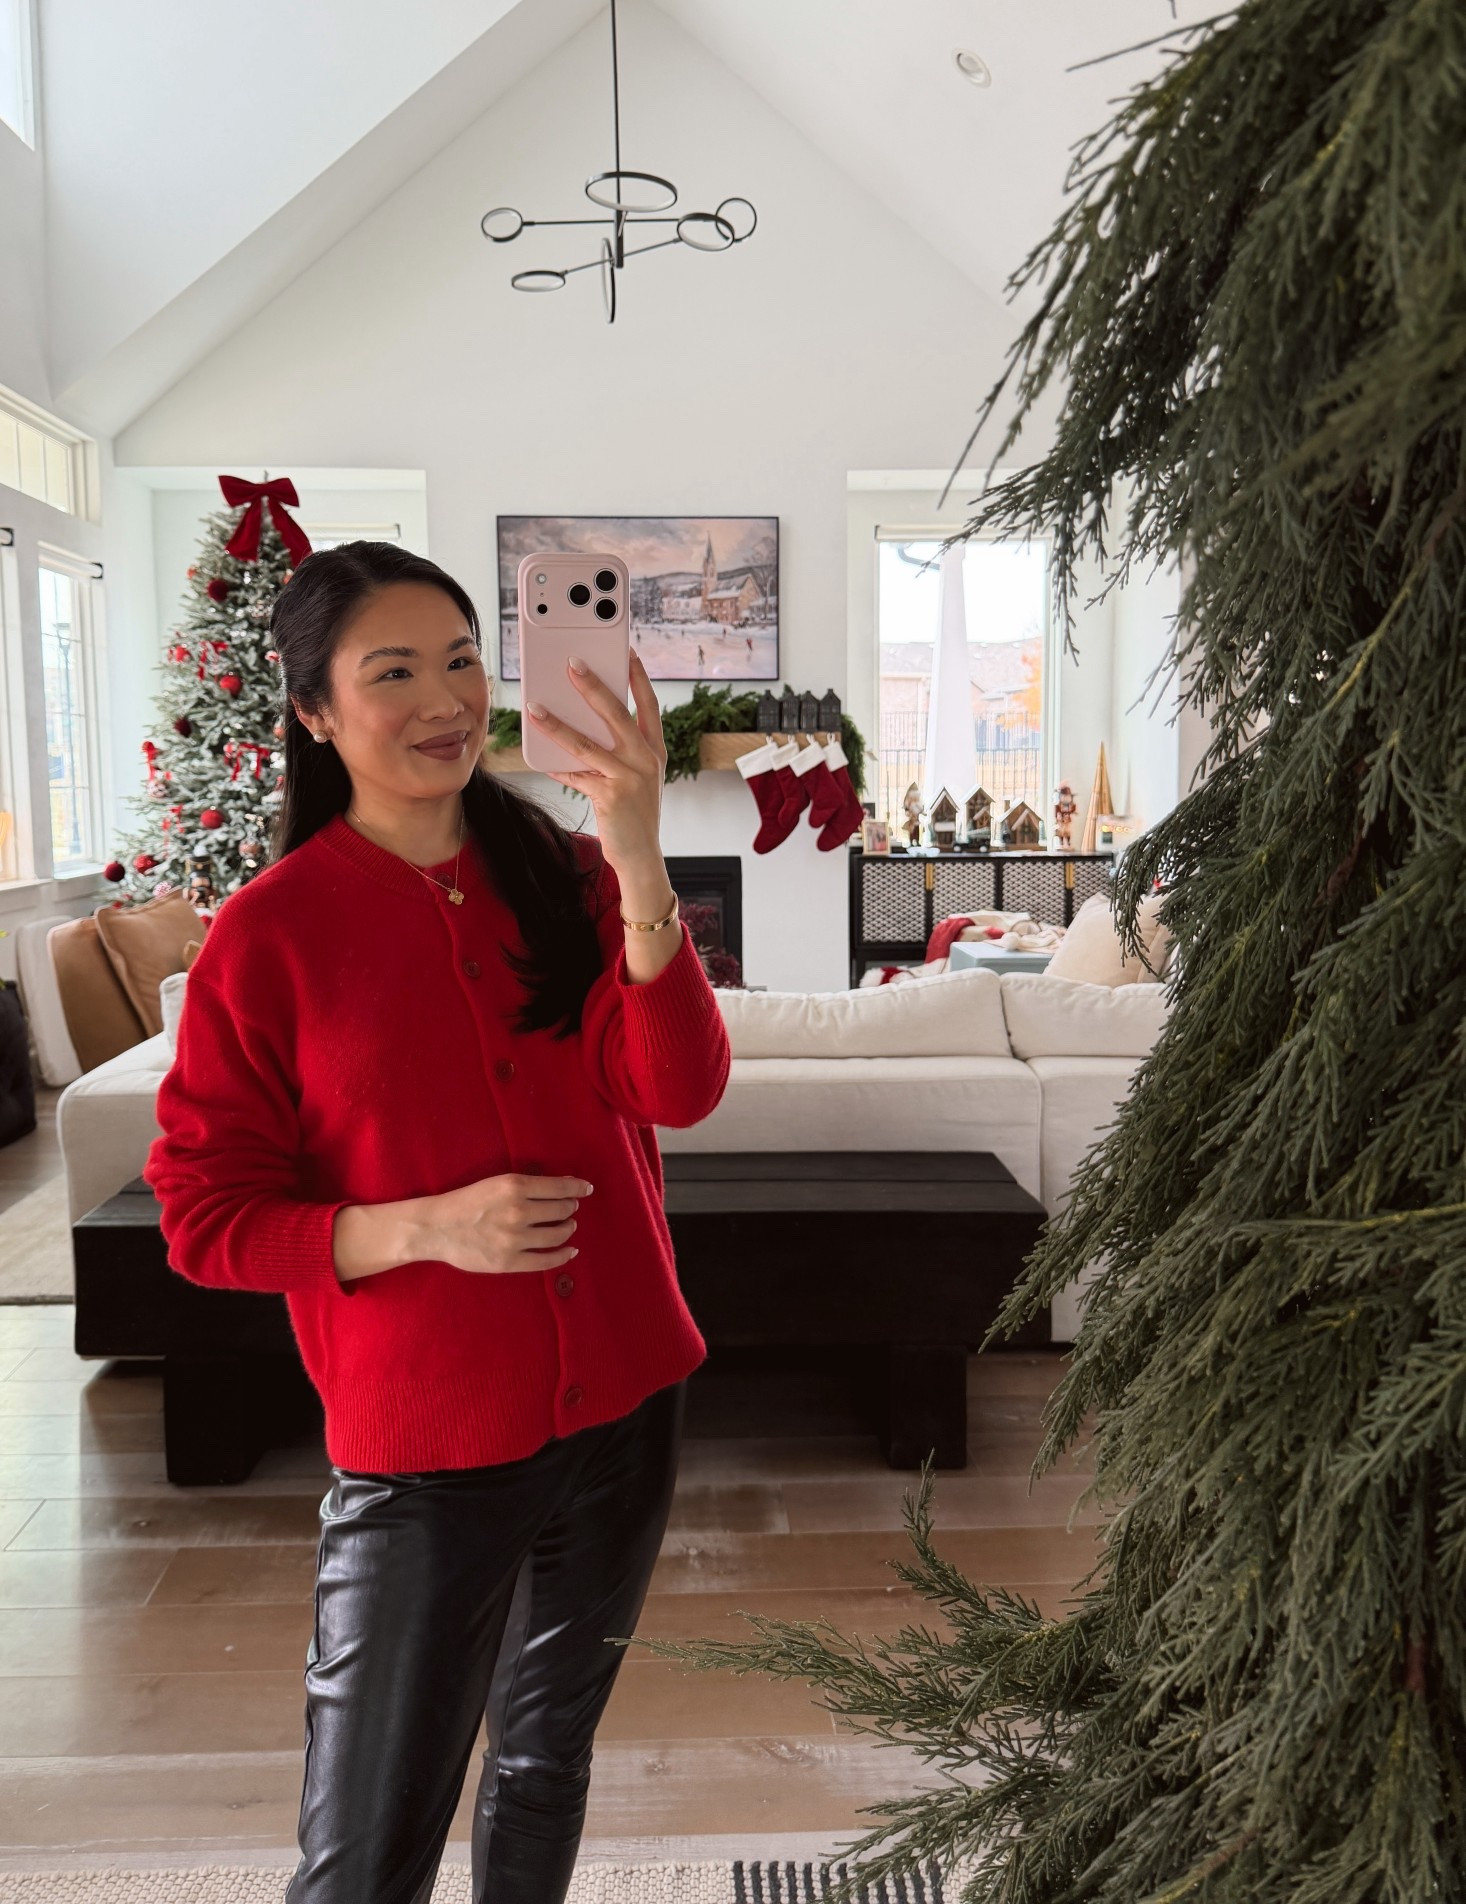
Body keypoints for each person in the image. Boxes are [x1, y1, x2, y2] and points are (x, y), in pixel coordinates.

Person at [143, 541, 731, 1903]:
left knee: (542, 1764)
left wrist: (634, 850)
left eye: (462, 660)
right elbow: (202, 1216)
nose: (442, 698)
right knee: (362, 1858)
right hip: (423, 1449)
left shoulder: (571, 884)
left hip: (628, 1407)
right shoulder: (269, 937)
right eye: (392, 671)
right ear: (313, 712)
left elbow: (677, 1089)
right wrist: (422, 1230)